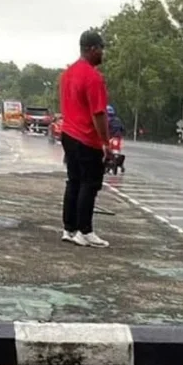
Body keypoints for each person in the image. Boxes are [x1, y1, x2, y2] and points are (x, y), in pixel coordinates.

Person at [59, 30, 111, 248]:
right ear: (92, 49)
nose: (103, 53)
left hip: (68, 135)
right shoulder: (93, 77)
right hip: (87, 138)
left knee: (74, 181)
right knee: (89, 184)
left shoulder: (67, 74)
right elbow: (98, 113)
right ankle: (85, 231)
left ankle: (69, 228)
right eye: (101, 48)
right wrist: (106, 143)